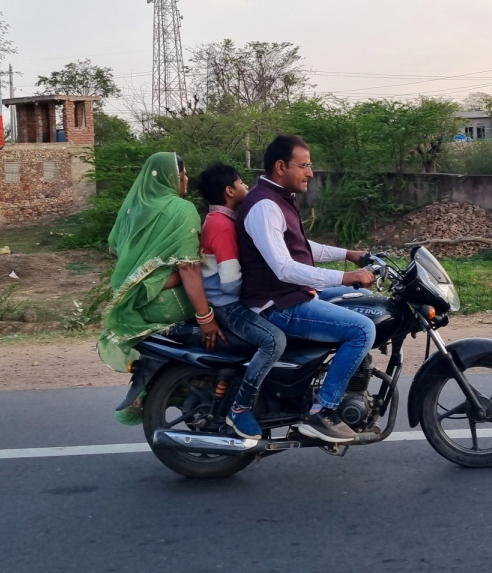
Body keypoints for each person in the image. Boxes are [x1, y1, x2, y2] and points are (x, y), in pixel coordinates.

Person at [236, 134, 376, 444]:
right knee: (363, 330)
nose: (310, 173)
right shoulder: (264, 207)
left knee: (366, 300)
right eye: (305, 165)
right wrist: (345, 277)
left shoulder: (278, 199)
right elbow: (284, 268)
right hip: (277, 304)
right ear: (281, 166)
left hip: (292, 293)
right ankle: (321, 411)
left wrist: (348, 254)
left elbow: (301, 246)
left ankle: (344, 377)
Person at [98, 152, 226, 376]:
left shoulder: (133, 208)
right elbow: (188, 267)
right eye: (183, 175)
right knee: (226, 310)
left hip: (130, 298)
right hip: (163, 303)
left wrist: (148, 272)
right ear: (170, 178)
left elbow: (114, 248)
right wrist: (205, 318)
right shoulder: (181, 209)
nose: (186, 180)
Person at [198, 163, 287, 440]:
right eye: (241, 183)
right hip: (226, 304)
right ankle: (241, 406)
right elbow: (229, 280)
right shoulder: (222, 226)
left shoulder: (221, 220)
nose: (246, 187)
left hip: (226, 299)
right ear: (229, 190)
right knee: (274, 340)